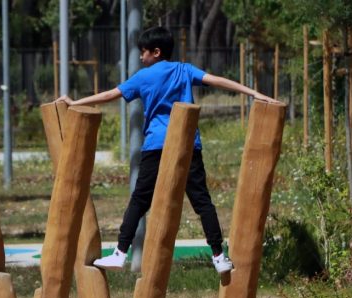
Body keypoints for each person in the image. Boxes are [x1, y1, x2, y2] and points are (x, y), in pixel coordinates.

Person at [58, 26, 280, 274]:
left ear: (156, 51)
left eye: (144, 52)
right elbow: (218, 80)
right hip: (187, 144)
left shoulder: (143, 77)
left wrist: (75, 102)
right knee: (202, 202)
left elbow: (111, 94)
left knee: (140, 200)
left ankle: (120, 254)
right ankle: (219, 256)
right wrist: (255, 94)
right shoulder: (184, 70)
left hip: (155, 145)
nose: (141, 58)